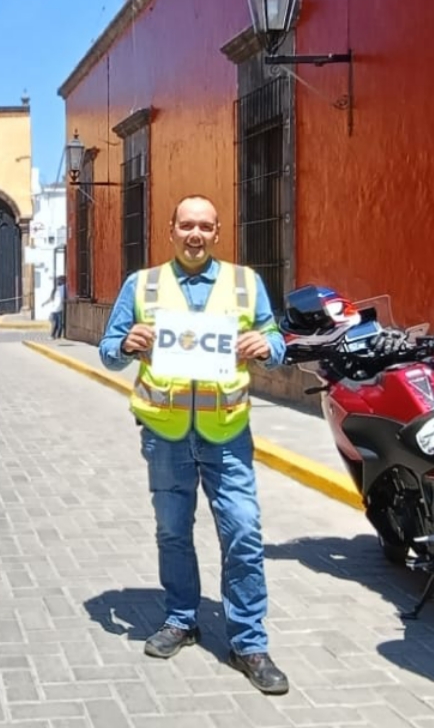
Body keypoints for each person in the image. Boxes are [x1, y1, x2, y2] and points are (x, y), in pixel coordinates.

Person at [98, 195, 290, 695]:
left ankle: (249, 642)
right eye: (187, 225)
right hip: (164, 436)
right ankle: (182, 619)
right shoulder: (142, 285)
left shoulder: (246, 284)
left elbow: (275, 339)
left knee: (244, 533)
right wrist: (126, 344)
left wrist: (266, 346)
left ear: (218, 232)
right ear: (171, 230)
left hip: (227, 435)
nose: (195, 234)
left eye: (205, 226)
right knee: (173, 534)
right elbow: (108, 351)